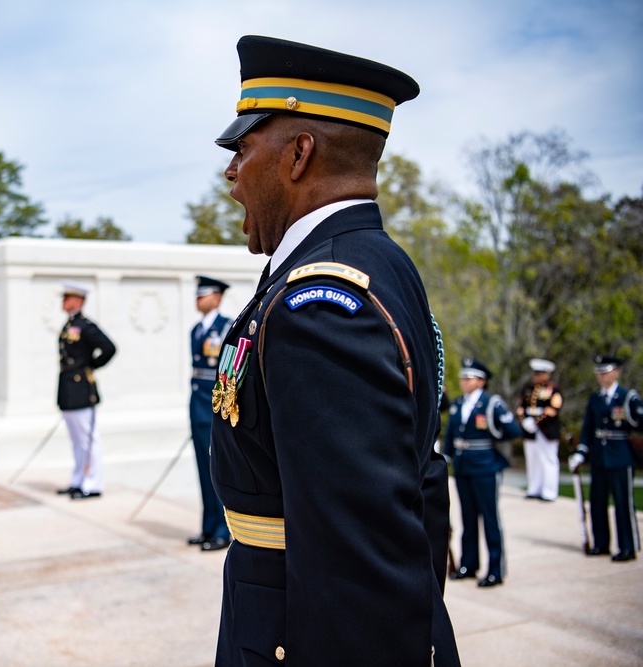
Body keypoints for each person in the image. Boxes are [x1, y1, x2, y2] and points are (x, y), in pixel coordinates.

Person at [208, 35, 458, 665]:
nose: (231, 172)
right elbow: (420, 489)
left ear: (298, 154)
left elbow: (358, 568)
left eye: (243, 147)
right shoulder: (379, 262)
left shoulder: (318, 303)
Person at [444, 358, 523, 589]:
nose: (463, 381)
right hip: (463, 466)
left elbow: (511, 430)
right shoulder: (459, 403)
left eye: (468, 378)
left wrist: (493, 433)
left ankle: (495, 570)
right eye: (463, 377)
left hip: (485, 466)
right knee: (468, 518)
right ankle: (469, 564)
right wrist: (447, 457)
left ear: (481, 381)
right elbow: (450, 435)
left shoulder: (491, 404)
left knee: (489, 519)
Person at [569, 355, 643, 562]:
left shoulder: (626, 397)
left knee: (623, 503)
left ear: (616, 372)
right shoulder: (595, 398)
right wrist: (581, 450)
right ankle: (601, 543)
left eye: (605, 372)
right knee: (597, 502)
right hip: (599, 456)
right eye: (598, 372)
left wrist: (634, 423)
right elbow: (588, 427)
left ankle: (627, 547)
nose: (601, 376)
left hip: (620, 455)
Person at [56, 282, 116, 500]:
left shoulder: (85, 325)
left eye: (67, 297)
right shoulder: (70, 324)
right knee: (76, 440)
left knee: (88, 439)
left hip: (81, 388)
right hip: (68, 389)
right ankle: (78, 480)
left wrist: (90, 365)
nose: (64, 301)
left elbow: (109, 348)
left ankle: (93, 484)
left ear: (79, 300)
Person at [188, 276, 233, 552]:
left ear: (217, 297)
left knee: (218, 471)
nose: (198, 299)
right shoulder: (195, 329)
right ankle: (208, 526)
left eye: (203, 294)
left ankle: (221, 531)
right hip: (196, 407)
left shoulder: (226, 327)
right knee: (203, 472)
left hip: (214, 408)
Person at [516, 358, 563, 501]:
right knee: (532, 460)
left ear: (547, 374)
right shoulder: (527, 389)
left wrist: (535, 422)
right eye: (535, 373)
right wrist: (524, 421)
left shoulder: (553, 390)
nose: (536, 376)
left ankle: (549, 491)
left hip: (546, 430)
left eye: (540, 373)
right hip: (530, 431)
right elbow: (521, 407)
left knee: (548, 461)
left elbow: (553, 409)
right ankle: (534, 489)